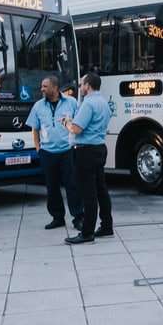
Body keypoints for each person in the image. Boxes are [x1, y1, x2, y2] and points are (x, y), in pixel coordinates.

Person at [25, 75, 84, 231]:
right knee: (52, 187)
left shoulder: (71, 102)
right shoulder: (38, 106)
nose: (41, 89)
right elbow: (34, 129)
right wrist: (39, 150)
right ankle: (57, 217)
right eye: (42, 86)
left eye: (45, 86)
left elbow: (79, 123)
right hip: (48, 153)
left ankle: (78, 217)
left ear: (55, 88)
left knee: (73, 185)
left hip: (67, 151)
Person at [63, 72, 112, 245]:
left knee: (88, 192)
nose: (80, 87)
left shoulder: (88, 103)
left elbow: (77, 129)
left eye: (81, 84)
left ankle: (87, 232)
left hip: (85, 151)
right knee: (101, 189)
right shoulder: (104, 103)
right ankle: (107, 226)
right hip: (99, 148)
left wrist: (66, 122)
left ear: (88, 85)